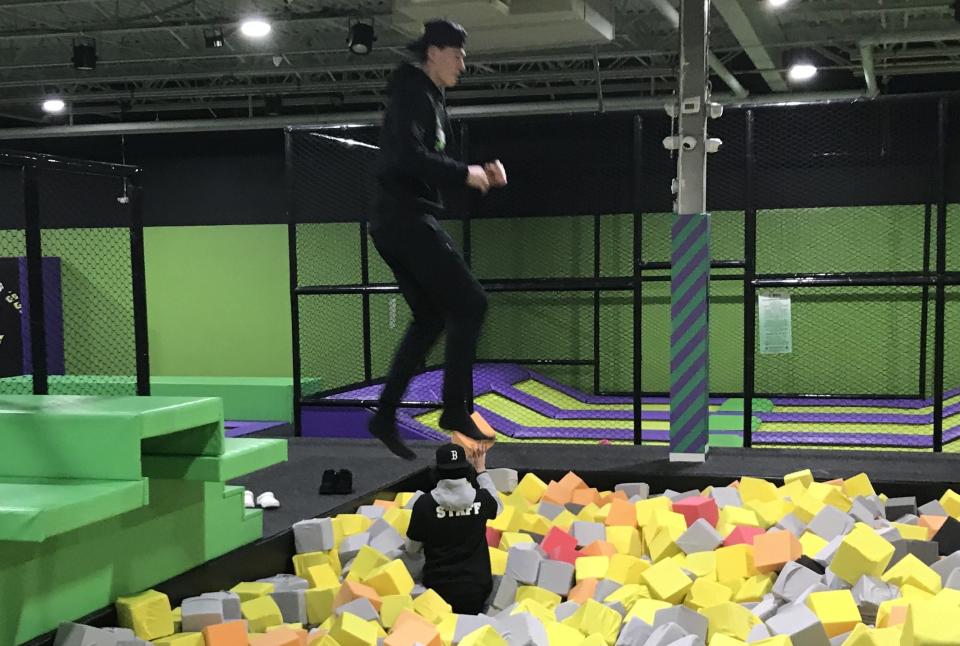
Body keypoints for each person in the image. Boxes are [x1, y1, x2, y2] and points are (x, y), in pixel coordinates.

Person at [368, 18, 508, 459]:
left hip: (396, 221)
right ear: (434, 52)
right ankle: (453, 409)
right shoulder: (414, 93)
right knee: (471, 302)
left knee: (430, 318)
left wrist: (473, 174)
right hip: (405, 218)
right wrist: (466, 173)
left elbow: (423, 160)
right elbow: (408, 157)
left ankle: (385, 415)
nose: (463, 65)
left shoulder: (428, 97)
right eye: (458, 54)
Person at [406, 441, 502, 614]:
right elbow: (498, 506)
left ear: (437, 471)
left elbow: (411, 549)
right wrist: (481, 470)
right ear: (466, 469)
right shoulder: (481, 499)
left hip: (437, 591)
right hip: (477, 590)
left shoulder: (424, 504)